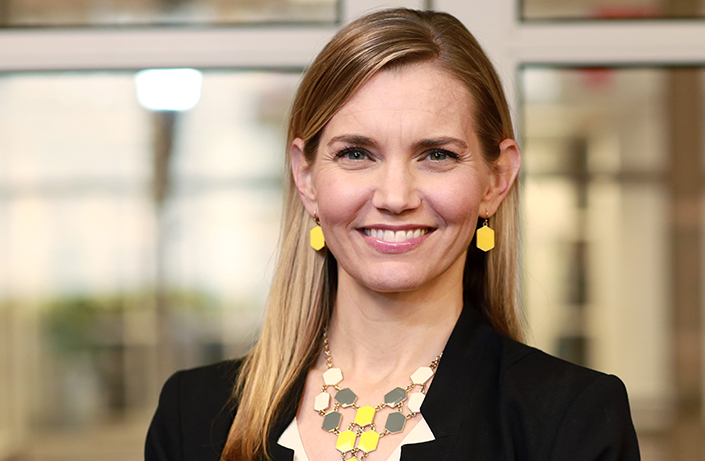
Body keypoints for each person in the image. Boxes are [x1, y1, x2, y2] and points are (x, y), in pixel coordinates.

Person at [145, 7, 640, 461]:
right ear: (305, 177)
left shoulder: (568, 419)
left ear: (496, 179)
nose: (396, 196)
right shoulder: (194, 415)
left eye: (437, 154)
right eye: (357, 154)